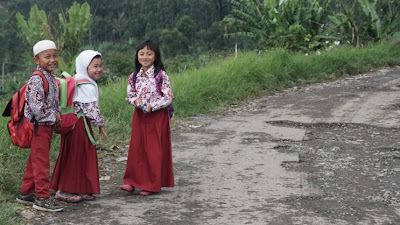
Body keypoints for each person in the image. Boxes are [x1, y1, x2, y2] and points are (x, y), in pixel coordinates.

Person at [50, 50, 107, 203]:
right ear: (84, 66)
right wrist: (100, 125)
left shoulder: (76, 79)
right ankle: (66, 190)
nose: (99, 69)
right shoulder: (86, 85)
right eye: (95, 66)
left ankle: (78, 188)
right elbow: (91, 110)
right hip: (81, 126)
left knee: (73, 156)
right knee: (78, 157)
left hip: (72, 125)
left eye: (100, 65)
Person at [120, 40, 174, 196]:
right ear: (137, 56)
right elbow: (129, 95)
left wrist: (153, 105)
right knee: (136, 148)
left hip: (157, 117)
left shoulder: (161, 76)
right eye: (141, 54)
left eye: (149, 54)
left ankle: (151, 184)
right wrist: (135, 101)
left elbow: (168, 97)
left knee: (152, 150)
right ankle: (131, 181)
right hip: (139, 116)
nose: (145, 57)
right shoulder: (134, 77)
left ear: (155, 57)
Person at [15, 40, 63, 212]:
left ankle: (25, 193)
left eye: (55, 56)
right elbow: (37, 108)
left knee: (36, 159)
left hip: (46, 125)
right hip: (39, 126)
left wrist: (56, 114)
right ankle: (42, 198)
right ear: (37, 60)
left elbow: (52, 101)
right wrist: (55, 116)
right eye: (47, 56)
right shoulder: (37, 78)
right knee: (42, 162)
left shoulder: (49, 76)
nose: (52, 60)